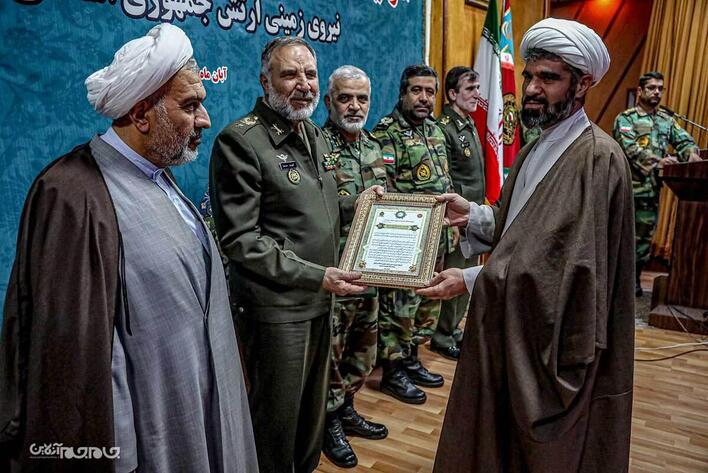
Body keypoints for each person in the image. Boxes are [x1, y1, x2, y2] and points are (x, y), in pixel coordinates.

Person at [0, 24, 258, 473]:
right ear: (141, 115)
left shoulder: (158, 172)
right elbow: (79, 359)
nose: (205, 119)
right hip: (155, 433)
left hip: (204, 405)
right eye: (190, 105)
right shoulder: (72, 194)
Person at [419, 18, 636, 472]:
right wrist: (474, 214)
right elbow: (523, 225)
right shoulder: (536, 147)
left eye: (548, 78)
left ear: (583, 84)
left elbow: (568, 275)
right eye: (530, 76)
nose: (533, 89)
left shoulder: (597, 158)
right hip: (512, 333)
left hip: (548, 355)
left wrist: (471, 279)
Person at [209, 37, 366, 473]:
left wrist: (361, 206)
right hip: (277, 313)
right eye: (290, 74)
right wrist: (318, 275)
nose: (304, 84)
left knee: (310, 424)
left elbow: (316, 209)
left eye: (310, 74)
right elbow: (241, 239)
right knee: (276, 427)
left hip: (320, 301)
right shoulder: (241, 142)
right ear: (265, 82)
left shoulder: (314, 134)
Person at [319, 65, 389, 468]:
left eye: (362, 98)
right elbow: (313, 211)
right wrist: (353, 205)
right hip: (335, 271)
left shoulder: (374, 146)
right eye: (345, 98)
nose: (355, 106)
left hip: (372, 268)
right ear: (329, 101)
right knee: (332, 353)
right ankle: (327, 422)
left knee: (363, 350)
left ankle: (346, 409)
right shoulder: (315, 146)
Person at [372, 64, 453, 404]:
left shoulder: (435, 129)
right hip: (406, 239)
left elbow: (444, 180)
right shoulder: (386, 132)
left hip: (438, 235)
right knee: (399, 309)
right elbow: (385, 191)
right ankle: (392, 372)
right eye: (417, 90)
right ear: (403, 93)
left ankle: (411, 359)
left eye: (430, 92)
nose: (424, 98)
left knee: (426, 304)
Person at [613, 71, 700, 296]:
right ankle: (613, 282)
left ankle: (633, 281)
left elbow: (685, 141)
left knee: (643, 239)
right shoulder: (626, 119)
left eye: (660, 88)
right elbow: (629, 148)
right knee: (620, 237)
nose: (657, 92)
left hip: (651, 190)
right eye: (652, 88)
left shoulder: (665, 120)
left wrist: (691, 153)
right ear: (640, 91)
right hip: (627, 189)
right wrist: (658, 161)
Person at [431, 66, 485, 360]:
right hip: (456, 217)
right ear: (452, 94)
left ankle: (453, 329)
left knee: (466, 274)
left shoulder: (468, 123)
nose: (477, 94)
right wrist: (453, 219)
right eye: (470, 89)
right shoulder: (445, 127)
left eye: (477, 88)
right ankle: (442, 335)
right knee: (454, 274)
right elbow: (445, 176)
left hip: (473, 214)